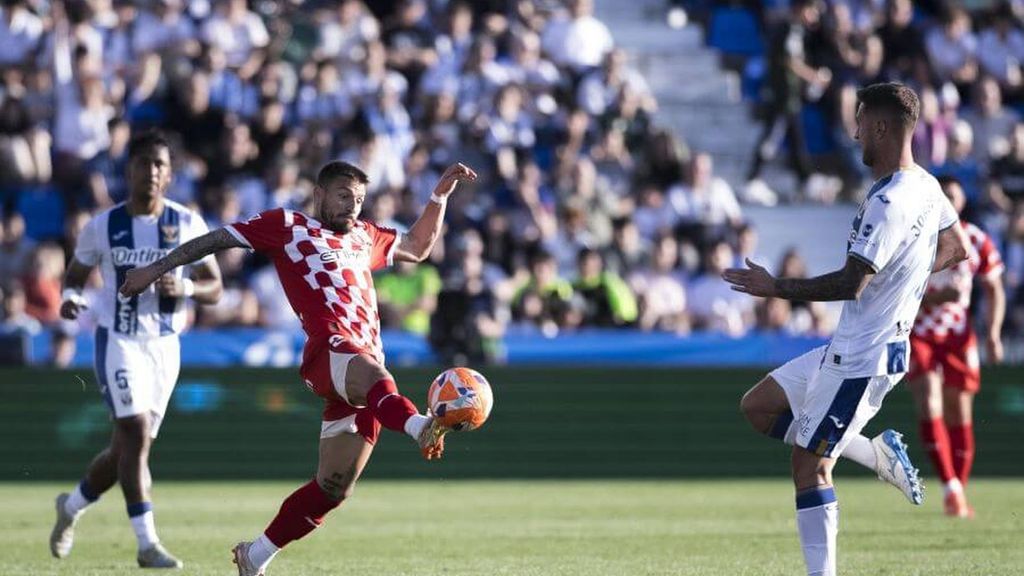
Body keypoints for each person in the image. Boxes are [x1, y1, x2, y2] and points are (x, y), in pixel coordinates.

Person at [118, 160, 478, 576]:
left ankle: (255, 556)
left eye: (359, 199)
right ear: (320, 194)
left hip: (362, 367)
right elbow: (218, 238)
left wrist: (439, 196)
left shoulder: (365, 236)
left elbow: (417, 246)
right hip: (330, 351)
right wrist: (155, 268)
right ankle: (419, 426)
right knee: (379, 379)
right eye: (344, 196)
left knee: (332, 488)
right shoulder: (288, 225)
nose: (352, 206)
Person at [725, 83, 971, 576]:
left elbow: (850, 283)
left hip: (865, 357)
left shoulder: (890, 202)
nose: (854, 132)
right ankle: (876, 453)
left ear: (880, 127)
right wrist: (908, 278)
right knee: (758, 407)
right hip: (851, 347)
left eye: (859, 122)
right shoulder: (925, 184)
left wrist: (775, 288)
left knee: (809, 465)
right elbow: (956, 245)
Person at [49, 130, 224, 568]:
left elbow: (215, 287)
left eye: (159, 165)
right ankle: (147, 543)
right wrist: (71, 298)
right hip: (119, 341)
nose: (151, 171)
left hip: (164, 347)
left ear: (169, 175)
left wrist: (183, 284)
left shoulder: (186, 223)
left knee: (125, 449)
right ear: (128, 169)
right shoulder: (103, 226)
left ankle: (70, 507)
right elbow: (74, 275)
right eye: (143, 162)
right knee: (136, 434)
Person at [907, 176, 1005, 518]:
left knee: (959, 412)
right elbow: (895, 294)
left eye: (952, 194)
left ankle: (957, 492)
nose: (947, 199)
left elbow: (995, 289)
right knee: (929, 400)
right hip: (918, 332)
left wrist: (992, 333)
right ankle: (950, 485)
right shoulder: (915, 236)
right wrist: (935, 299)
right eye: (942, 195)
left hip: (958, 336)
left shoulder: (976, 238)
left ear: (962, 200)